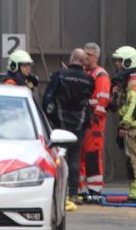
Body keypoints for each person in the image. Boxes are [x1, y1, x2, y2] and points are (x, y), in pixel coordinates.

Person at [42, 48, 95, 210]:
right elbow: (86, 100)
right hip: (79, 124)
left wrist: (49, 118)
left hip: (60, 123)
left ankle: (60, 193)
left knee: (59, 158)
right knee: (75, 158)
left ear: (72, 58)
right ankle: (73, 193)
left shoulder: (60, 75)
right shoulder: (89, 79)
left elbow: (48, 98)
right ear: (84, 61)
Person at [111, 45, 136, 202]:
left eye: (120, 61)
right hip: (134, 126)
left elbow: (133, 102)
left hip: (135, 126)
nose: (117, 64)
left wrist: (125, 124)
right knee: (132, 159)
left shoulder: (134, 81)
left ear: (128, 62)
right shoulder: (129, 80)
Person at [77, 43, 111, 200]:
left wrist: (94, 118)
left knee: (92, 157)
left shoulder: (100, 75)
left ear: (96, 57)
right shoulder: (85, 73)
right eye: (85, 54)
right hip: (85, 121)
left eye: (89, 55)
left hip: (94, 123)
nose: (86, 57)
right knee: (81, 157)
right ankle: (82, 191)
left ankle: (95, 191)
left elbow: (102, 100)